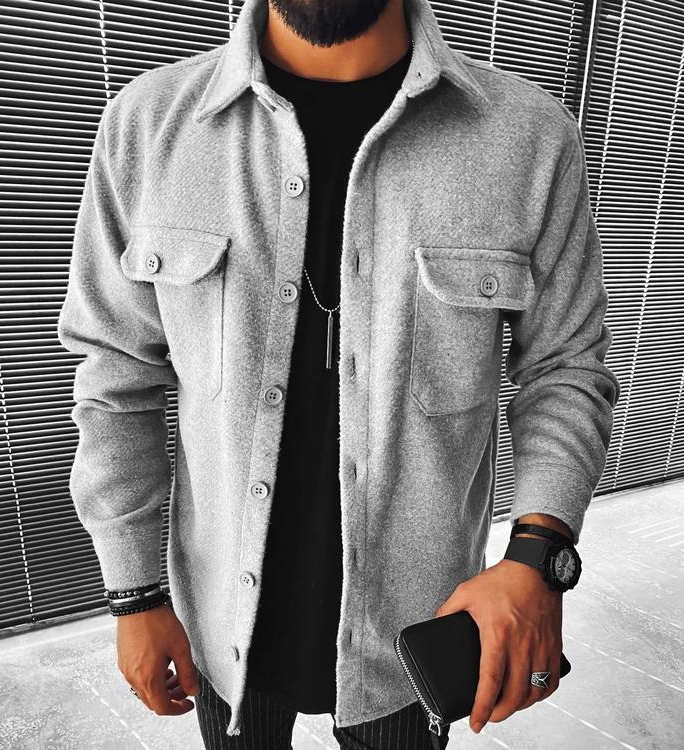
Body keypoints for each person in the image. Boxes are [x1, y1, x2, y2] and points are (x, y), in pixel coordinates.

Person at [57, 0, 620, 747]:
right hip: (222, 628)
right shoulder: (148, 124)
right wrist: (133, 593)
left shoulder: (527, 136)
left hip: (415, 629)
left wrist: (537, 558)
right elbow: (116, 372)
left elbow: (565, 365)